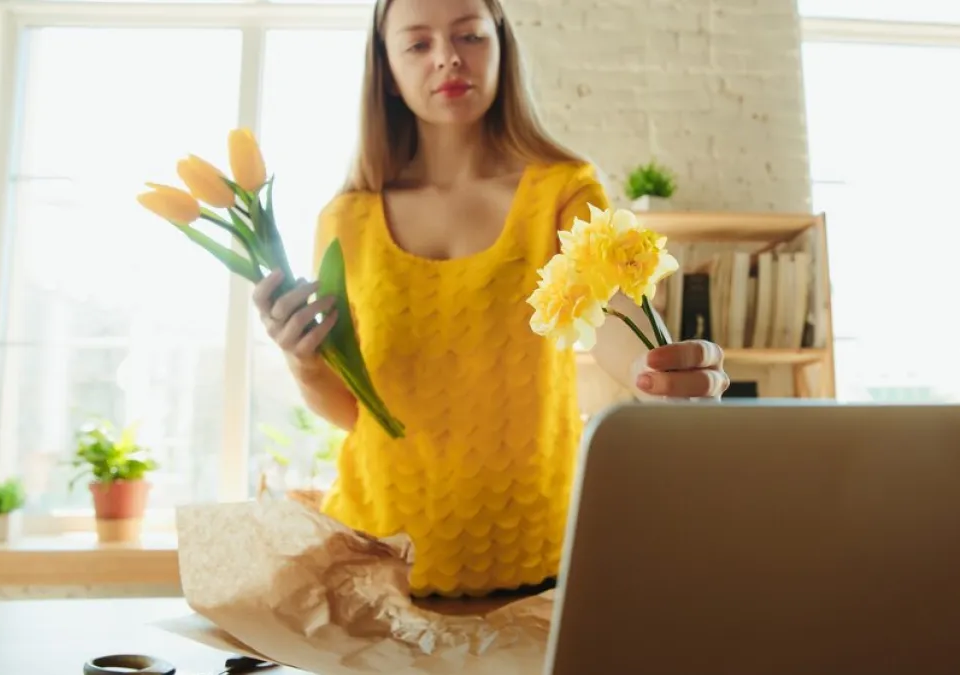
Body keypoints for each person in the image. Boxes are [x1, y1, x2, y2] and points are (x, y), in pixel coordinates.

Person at [251, 0, 730, 599]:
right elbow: (353, 409)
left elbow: (614, 313)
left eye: (469, 35)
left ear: (502, 46)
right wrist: (301, 359)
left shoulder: (565, 189)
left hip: (537, 552)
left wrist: (652, 370)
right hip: (378, 557)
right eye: (418, 44)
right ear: (388, 72)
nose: (448, 56)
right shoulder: (344, 219)